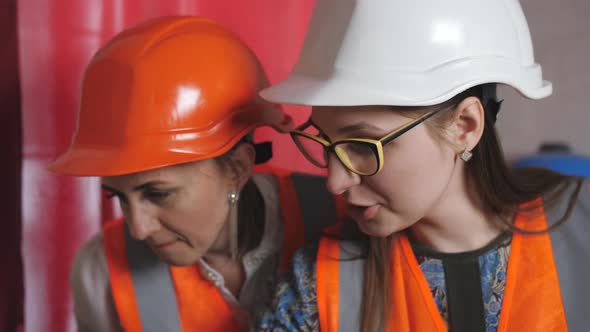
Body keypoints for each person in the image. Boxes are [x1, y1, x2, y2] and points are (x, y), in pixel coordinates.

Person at [255, 0, 590, 331]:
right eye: (325, 143)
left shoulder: (582, 225)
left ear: (465, 126)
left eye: (361, 146)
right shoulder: (318, 284)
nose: (335, 182)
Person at [48, 16, 341, 332]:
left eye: (158, 193)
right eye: (119, 196)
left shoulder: (351, 222)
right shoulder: (101, 272)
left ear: (237, 168)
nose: (139, 229)